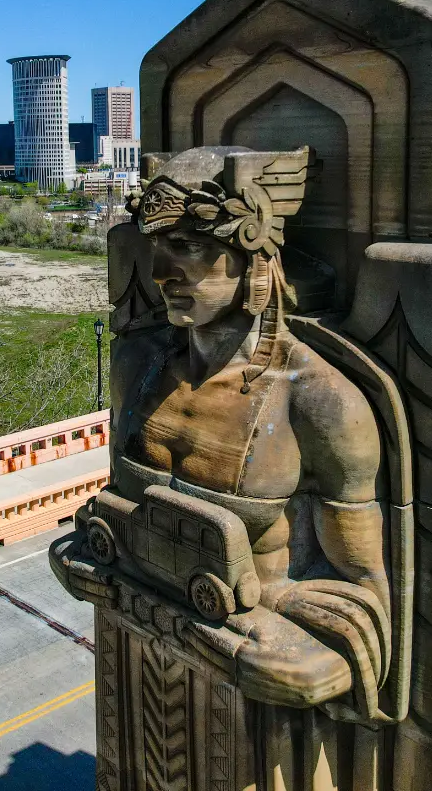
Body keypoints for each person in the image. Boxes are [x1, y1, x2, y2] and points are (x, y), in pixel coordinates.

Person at [53, 145, 392, 723]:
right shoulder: (138, 366)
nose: (162, 273)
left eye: (189, 247)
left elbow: (364, 596)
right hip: (140, 671)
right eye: (157, 247)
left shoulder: (321, 403)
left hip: (257, 703)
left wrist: (296, 649)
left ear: (254, 260)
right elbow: (112, 510)